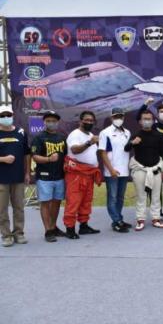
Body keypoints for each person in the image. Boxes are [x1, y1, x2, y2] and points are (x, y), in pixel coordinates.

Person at [125, 110, 163, 231]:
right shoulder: (136, 135)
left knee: (156, 196)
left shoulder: (158, 135)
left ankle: (156, 218)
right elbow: (126, 148)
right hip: (140, 170)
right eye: (145, 119)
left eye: (149, 119)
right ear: (140, 121)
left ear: (153, 121)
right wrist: (133, 142)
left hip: (155, 169)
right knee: (141, 196)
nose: (147, 121)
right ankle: (140, 219)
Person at [64, 111, 102, 239]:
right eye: (87, 120)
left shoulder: (90, 135)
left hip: (89, 173)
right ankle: (70, 228)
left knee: (86, 201)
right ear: (80, 121)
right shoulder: (75, 134)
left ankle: (84, 226)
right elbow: (74, 150)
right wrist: (89, 143)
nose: (89, 122)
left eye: (91, 120)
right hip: (76, 173)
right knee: (74, 201)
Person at [31, 111, 66, 242]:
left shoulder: (62, 137)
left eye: (54, 121)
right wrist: (48, 159)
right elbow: (35, 156)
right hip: (44, 176)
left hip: (59, 176)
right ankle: (48, 231)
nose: (51, 123)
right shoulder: (38, 137)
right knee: (45, 203)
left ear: (58, 122)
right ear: (44, 122)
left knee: (57, 202)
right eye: (48, 121)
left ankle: (53, 226)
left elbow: (66, 155)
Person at [138, 99, 163, 219]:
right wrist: (146, 104)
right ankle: (156, 212)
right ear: (157, 114)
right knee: (154, 189)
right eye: (161, 111)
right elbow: (139, 117)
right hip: (155, 162)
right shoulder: (153, 126)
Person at [0, 104, 31, 247]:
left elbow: (27, 154)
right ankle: (6, 235)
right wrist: (3, 159)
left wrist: (27, 172)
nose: (6, 117)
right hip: (1, 179)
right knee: (2, 209)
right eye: (2, 116)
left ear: (13, 116)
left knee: (19, 207)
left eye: (8, 115)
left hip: (18, 177)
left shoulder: (21, 132)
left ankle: (19, 233)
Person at [98, 107, 132, 233]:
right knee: (112, 197)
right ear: (111, 117)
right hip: (111, 171)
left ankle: (119, 219)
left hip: (124, 170)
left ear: (123, 117)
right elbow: (103, 153)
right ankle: (116, 221)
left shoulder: (127, 132)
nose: (118, 119)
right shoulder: (105, 133)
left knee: (120, 197)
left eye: (120, 116)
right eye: (116, 116)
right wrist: (111, 169)